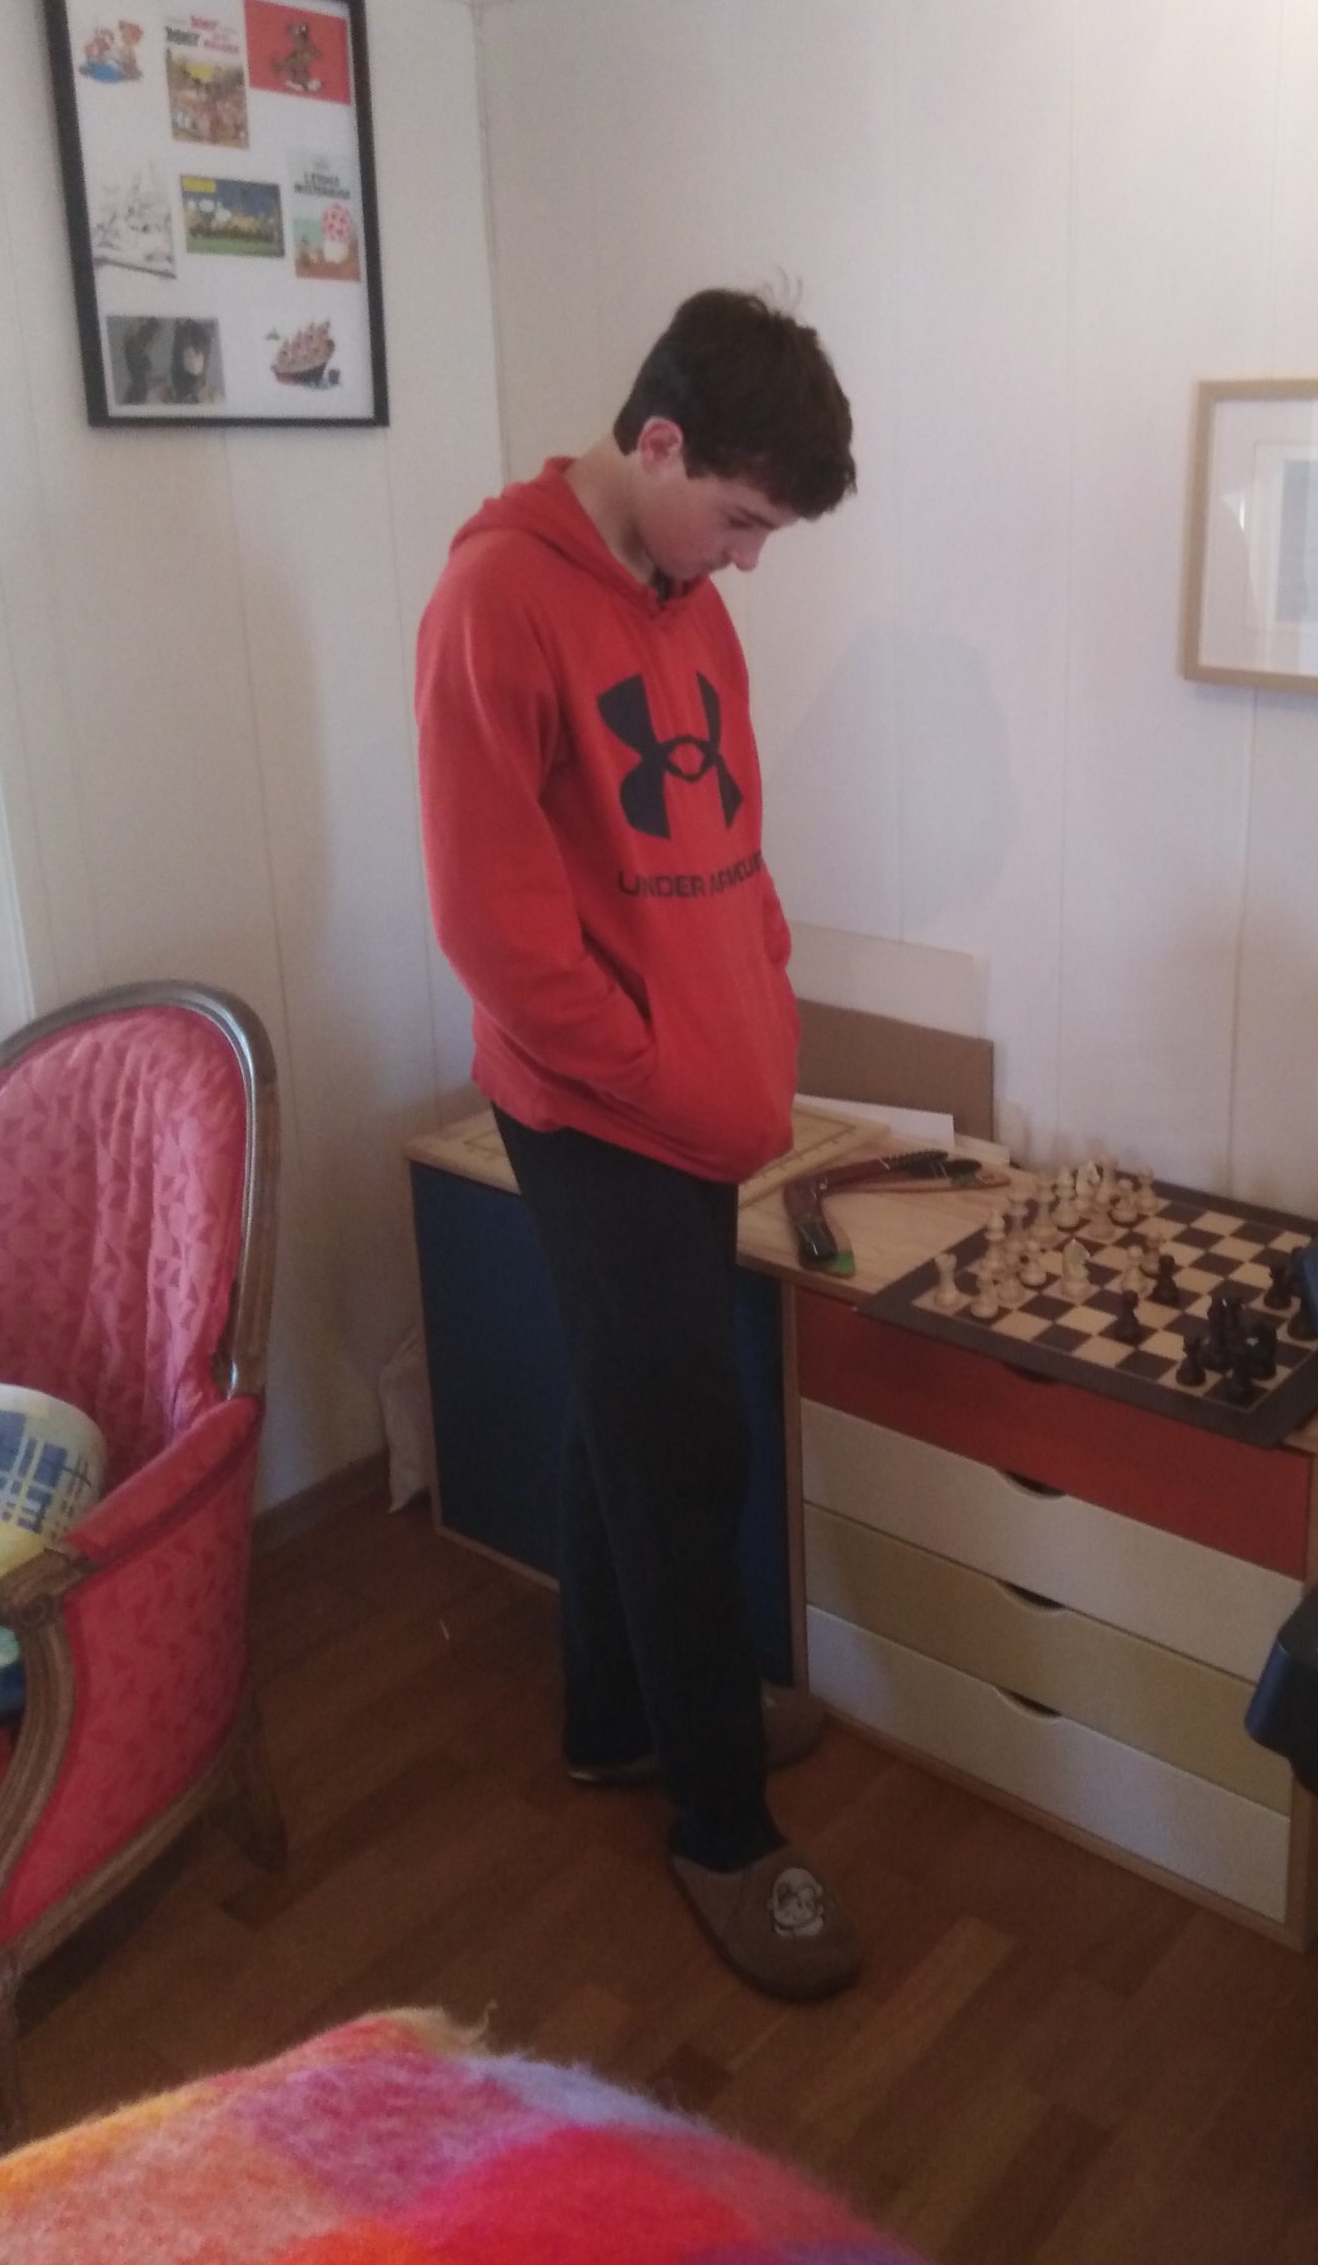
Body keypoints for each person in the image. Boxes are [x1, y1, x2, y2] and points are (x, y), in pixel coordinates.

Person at [415, 289, 859, 2000]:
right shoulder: (497, 600)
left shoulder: (694, 606)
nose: (745, 560)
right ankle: (723, 1826)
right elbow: (498, 936)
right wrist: (669, 1077)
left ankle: (616, 1720)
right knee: (687, 1446)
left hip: (698, 1095)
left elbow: (730, 851)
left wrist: (765, 1001)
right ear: (657, 443)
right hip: (596, 1112)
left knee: (628, 1406)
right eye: (738, 519)